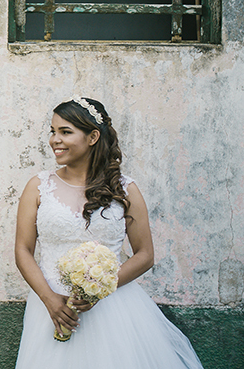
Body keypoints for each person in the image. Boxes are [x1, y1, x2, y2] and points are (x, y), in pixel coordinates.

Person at [14, 97, 204, 368]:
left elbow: (145, 255)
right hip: (51, 306)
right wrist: (49, 299)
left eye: (65, 132)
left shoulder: (125, 189)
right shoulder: (38, 186)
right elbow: (23, 250)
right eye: (53, 131)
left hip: (113, 307)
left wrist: (99, 289)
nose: (55, 140)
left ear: (93, 137)